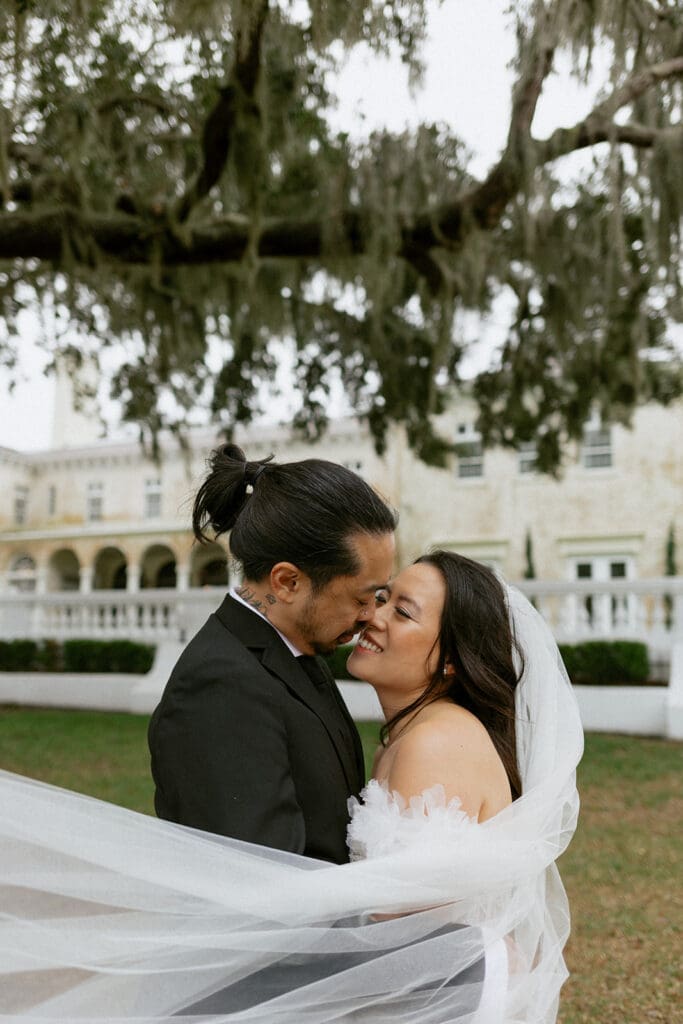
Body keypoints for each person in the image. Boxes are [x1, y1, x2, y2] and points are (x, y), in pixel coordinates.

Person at [0, 548, 583, 1023]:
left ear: (450, 661)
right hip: (423, 975)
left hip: (442, 990)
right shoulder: (408, 732)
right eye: (380, 597)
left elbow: (405, 922)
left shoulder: (435, 742)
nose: (373, 615)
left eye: (402, 612)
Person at [148, 443, 397, 863]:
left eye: (381, 595)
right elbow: (261, 887)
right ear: (286, 582)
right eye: (362, 598)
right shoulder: (220, 686)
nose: (372, 616)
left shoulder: (298, 650)